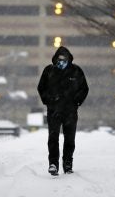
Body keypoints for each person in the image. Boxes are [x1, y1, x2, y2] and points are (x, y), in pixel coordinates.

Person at [37, 46, 89, 176]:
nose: (62, 61)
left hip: (70, 112)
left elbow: (84, 88)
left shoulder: (76, 71)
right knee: (53, 138)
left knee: (70, 139)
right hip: (54, 111)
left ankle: (67, 163)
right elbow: (41, 87)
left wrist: (77, 101)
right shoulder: (49, 71)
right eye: (59, 59)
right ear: (55, 59)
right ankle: (53, 164)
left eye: (64, 59)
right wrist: (49, 100)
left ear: (69, 59)